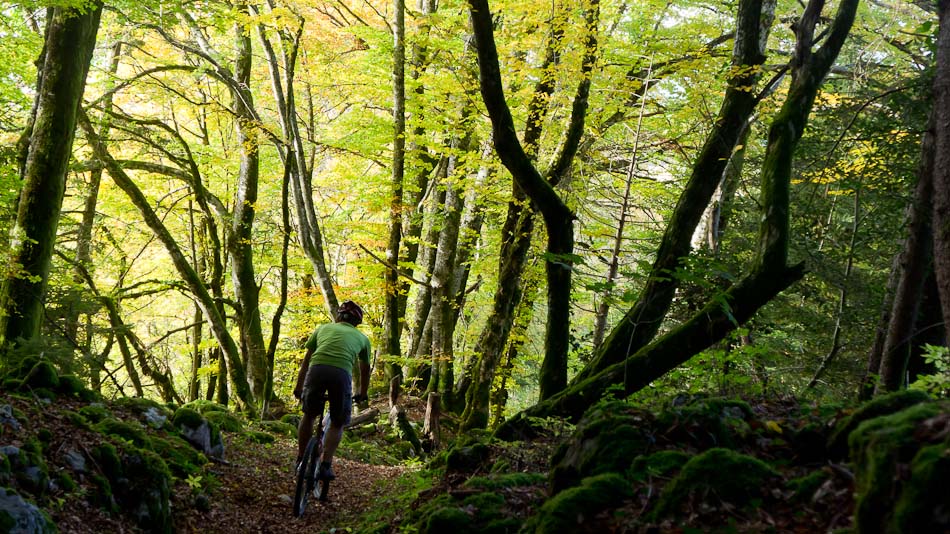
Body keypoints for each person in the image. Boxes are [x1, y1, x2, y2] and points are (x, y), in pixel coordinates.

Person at [293, 300, 371, 481]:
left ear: (338, 316)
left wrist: (299, 386)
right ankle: (326, 465)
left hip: (316, 370)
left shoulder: (322, 329)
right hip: (340, 374)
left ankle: (300, 459)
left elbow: (306, 361)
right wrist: (362, 392)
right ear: (356, 323)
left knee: (309, 415)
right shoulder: (362, 339)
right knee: (337, 421)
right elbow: (364, 369)